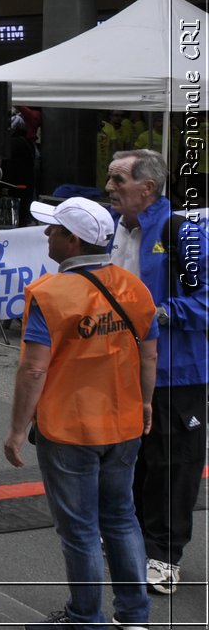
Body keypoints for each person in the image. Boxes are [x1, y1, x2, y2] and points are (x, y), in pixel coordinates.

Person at [4, 197, 157, 630]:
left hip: (68, 428)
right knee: (121, 519)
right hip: (123, 422)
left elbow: (34, 368)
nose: (47, 234)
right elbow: (149, 355)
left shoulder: (49, 294)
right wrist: (145, 403)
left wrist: (17, 429)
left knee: (81, 530)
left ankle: (86, 617)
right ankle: (134, 617)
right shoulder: (134, 287)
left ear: (73, 241)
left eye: (53, 229)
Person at [106, 149, 208, 596]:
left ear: (147, 189)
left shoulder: (182, 233)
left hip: (176, 372)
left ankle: (165, 556)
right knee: (131, 461)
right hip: (122, 368)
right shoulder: (114, 229)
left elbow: (205, 301)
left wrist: (155, 314)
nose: (108, 188)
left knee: (173, 465)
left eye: (117, 180)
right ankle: (135, 543)